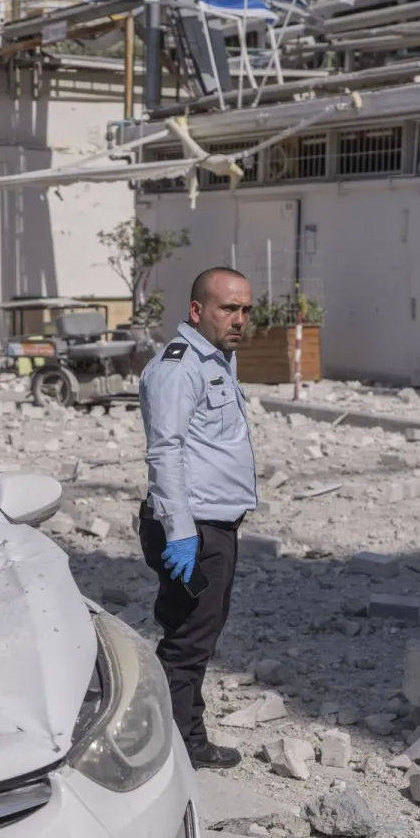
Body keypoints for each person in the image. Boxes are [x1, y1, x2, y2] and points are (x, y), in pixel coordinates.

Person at [137, 267, 257, 770]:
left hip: (214, 526)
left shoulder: (217, 358)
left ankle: (176, 733)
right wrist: (181, 533)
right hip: (192, 529)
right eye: (228, 308)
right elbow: (165, 450)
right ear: (196, 310)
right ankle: (175, 745)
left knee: (197, 636)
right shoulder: (178, 367)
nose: (239, 319)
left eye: (245, 309)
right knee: (188, 640)